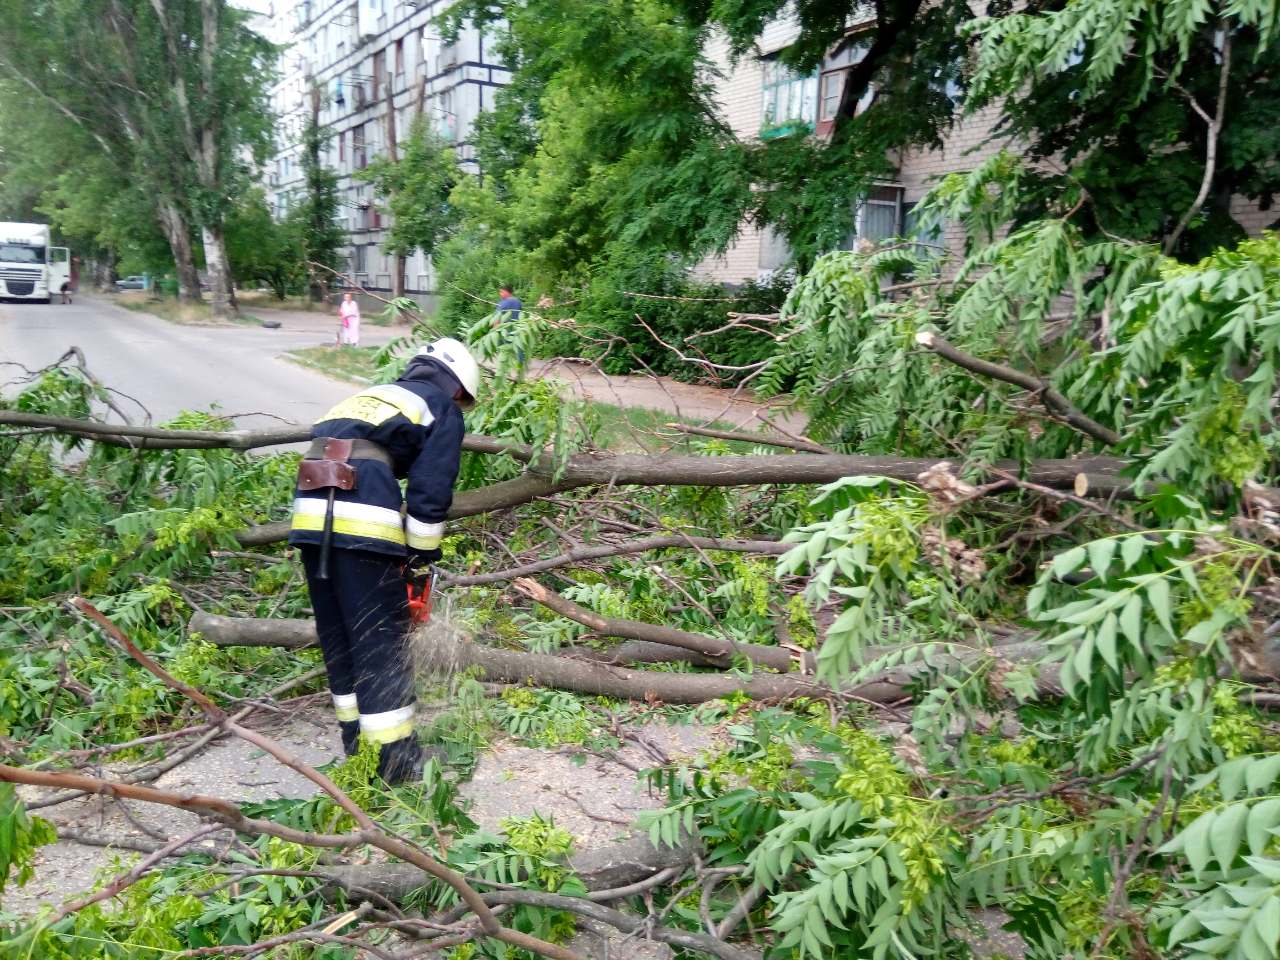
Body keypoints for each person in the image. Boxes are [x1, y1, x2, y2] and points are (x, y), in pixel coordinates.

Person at [287, 339, 480, 784]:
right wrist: (421, 553)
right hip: (363, 518)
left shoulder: (375, 396)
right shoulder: (440, 406)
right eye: (463, 401)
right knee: (381, 642)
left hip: (312, 518)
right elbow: (431, 490)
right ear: (456, 388)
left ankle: (357, 748)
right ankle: (395, 763)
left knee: (340, 638)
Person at [493, 285, 525, 366]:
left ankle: (505, 363)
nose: (500, 294)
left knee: (504, 347)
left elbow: (497, 317)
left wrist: (495, 328)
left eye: (501, 292)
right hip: (517, 327)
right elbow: (521, 313)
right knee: (518, 346)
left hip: (505, 329)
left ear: (507, 292)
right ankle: (520, 364)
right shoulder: (518, 301)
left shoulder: (503, 303)